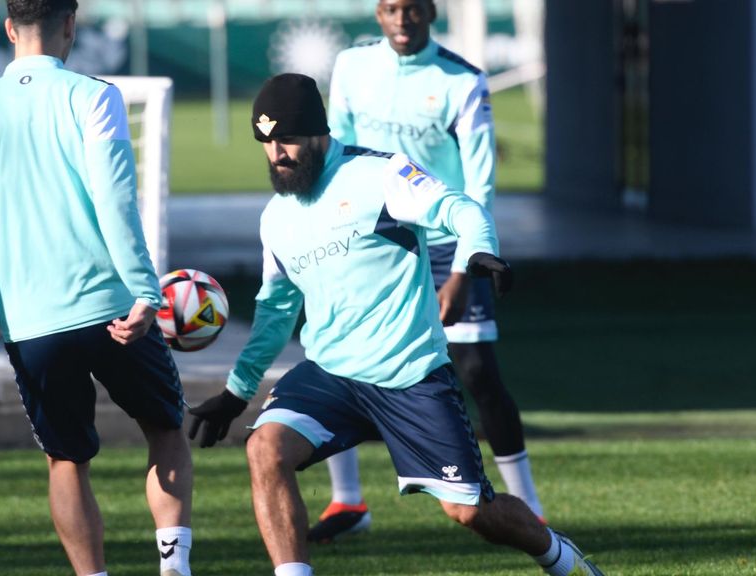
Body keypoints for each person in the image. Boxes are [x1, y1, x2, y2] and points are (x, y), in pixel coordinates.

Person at [188, 73, 602, 576]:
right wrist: (236, 394)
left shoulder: (381, 175)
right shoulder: (275, 218)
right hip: (331, 375)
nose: (277, 152)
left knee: (472, 511)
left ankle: (561, 558)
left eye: (289, 138)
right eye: (266, 141)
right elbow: (276, 311)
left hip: (409, 375)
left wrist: (479, 253)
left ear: (319, 133)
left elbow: (459, 209)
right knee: (265, 448)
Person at [0, 2, 193, 575]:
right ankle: (174, 568)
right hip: (112, 309)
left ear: (8, 29)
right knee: (165, 429)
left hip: (31, 322)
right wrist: (146, 291)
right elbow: (115, 199)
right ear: (71, 24)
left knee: (66, 460)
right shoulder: (94, 96)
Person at [309, 0, 545, 542]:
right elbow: (336, 152)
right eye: (390, 8)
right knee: (337, 360)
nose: (401, 19)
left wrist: (465, 267)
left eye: (412, 9)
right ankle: (348, 503)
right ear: (377, 12)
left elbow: (480, 181)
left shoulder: (463, 81)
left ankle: (529, 505)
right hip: (371, 239)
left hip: (443, 242)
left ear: (431, 12)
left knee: (477, 371)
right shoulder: (351, 66)